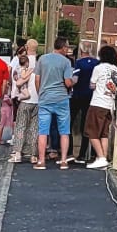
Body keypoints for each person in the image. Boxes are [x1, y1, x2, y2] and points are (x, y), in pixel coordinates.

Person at [34, 40, 75, 169]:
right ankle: (63, 161)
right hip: (61, 98)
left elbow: (37, 79)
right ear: (62, 48)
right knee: (64, 131)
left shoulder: (42, 59)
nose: (67, 49)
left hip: (45, 98)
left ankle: (41, 161)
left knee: (43, 131)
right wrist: (74, 82)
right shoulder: (66, 62)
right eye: (67, 47)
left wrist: (40, 93)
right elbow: (68, 82)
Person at [84, 45, 117, 169]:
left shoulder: (98, 68)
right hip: (109, 105)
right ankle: (104, 158)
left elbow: (92, 85)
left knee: (92, 132)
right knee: (104, 133)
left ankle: (100, 157)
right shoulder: (116, 70)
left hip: (97, 103)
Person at [7, 38, 38, 163]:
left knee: (20, 126)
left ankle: (18, 153)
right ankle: (33, 154)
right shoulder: (40, 62)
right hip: (37, 99)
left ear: (26, 47)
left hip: (24, 99)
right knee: (34, 128)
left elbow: (14, 78)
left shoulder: (22, 61)